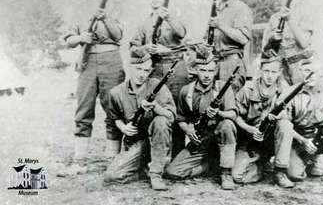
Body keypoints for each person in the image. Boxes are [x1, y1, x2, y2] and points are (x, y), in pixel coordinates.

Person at [62, 0, 125, 174]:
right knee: (84, 108)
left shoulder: (114, 4)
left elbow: (118, 36)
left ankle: (112, 160)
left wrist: (105, 16)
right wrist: (82, 38)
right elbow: (69, 39)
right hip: (87, 60)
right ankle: (80, 160)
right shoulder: (78, 6)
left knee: (113, 108)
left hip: (110, 59)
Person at [129, 0, 189, 156]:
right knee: (154, 109)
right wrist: (146, 48)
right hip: (154, 69)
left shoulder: (174, 15)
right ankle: (154, 156)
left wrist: (168, 17)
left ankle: (177, 156)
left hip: (176, 67)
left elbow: (182, 33)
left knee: (177, 110)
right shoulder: (144, 23)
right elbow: (133, 47)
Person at [166, 46, 238, 190]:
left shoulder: (223, 87)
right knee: (172, 172)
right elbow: (180, 118)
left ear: (215, 71)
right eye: (203, 70)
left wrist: (219, 113)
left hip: (221, 140)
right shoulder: (187, 91)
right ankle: (209, 167)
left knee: (227, 125)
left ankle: (226, 173)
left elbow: (233, 115)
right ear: (195, 70)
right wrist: (188, 130)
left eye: (210, 71)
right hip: (201, 139)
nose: (207, 75)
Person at [103, 50, 176, 191]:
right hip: (136, 143)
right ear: (129, 67)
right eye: (138, 69)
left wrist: (156, 107)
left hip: (157, 141)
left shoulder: (158, 86)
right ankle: (142, 170)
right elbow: (114, 118)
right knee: (112, 176)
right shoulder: (116, 93)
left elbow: (171, 117)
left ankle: (156, 175)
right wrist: (123, 127)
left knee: (160, 121)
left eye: (147, 70)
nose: (142, 75)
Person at [233, 51, 295, 187]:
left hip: (270, 139)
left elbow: (288, 116)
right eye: (266, 71)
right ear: (260, 71)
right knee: (238, 177)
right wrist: (248, 128)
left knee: (285, 125)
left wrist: (279, 116)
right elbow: (235, 115)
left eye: (273, 72)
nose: (269, 76)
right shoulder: (247, 90)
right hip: (249, 139)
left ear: (279, 72)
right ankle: (260, 164)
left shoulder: (283, 90)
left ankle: (280, 171)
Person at [281, 59, 323, 185]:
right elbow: (284, 125)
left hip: (317, 136)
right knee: (295, 175)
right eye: (306, 71)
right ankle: (307, 160)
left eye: (314, 72)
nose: (310, 75)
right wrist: (302, 140)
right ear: (300, 72)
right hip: (296, 139)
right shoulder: (291, 92)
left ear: (320, 74)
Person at [207, 0, 253, 93]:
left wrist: (220, 25)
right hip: (215, 62)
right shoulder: (216, 9)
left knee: (229, 103)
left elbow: (243, 39)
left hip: (232, 63)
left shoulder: (241, 8)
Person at [261, 7, 313, 84]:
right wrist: (272, 38)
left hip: (298, 66)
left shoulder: (303, 17)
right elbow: (264, 47)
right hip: (280, 68)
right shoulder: (274, 17)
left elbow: (304, 43)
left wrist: (289, 20)